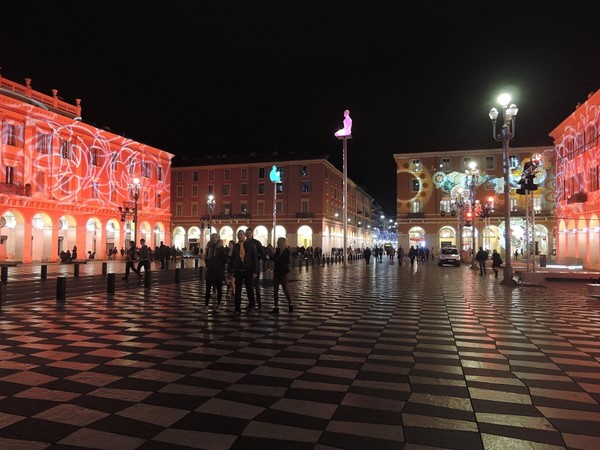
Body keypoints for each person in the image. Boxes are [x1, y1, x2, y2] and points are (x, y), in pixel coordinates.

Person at [229, 229, 258, 316]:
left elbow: (255, 258)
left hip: (248, 270)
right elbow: (233, 259)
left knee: (249, 289)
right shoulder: (236, 246)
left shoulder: (250, 245)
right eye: (238, 235)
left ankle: (252, 305)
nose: (239, 236)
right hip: (238, 270)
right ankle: (237, 309)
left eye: (241, 234)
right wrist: (231, 270)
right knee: (238, 291)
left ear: (244, 236)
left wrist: (255, 271)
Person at [271, 237, 293, 314]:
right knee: (275, 290)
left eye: (278, 241)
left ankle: (290, 304)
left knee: (285, 289)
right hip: (277, 271)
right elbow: (275, 260)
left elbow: (286, 261)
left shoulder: (287, 251)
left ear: (281, 242)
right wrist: (271, 255)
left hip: (283, 272)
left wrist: (276, 258)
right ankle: (276, 307)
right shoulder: (277, 250)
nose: (277, 242)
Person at [204, 234, 227, 306]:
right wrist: (208, 265)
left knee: (219, 288)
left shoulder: (221, 248)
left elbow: (225, 260)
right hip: (210, 271)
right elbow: (206, 258)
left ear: (218, 239)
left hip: (218, 271)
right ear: (211, 238)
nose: (214, 239)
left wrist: (220, 267)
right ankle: (206, 305)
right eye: (213, 237)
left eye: (215, 238)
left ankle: (218, 304)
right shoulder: (209, 247)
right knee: (207, 289)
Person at [245, 228, 265, 308]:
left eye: (250, 233)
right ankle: (251, 303)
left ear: (252, 234)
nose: (248, 234)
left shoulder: (256, 243)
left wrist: (256, 259)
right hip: (246, 267)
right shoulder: (244, 243)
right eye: (247, 233)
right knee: (248, 286)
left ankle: (259, 303)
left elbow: (262, 254)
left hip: (255, 267)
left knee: (256, 286)